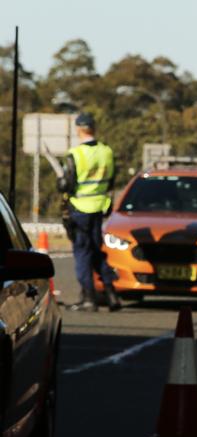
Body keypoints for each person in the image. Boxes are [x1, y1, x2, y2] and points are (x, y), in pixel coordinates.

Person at [58, 112, 121, 312]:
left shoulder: (76, 154)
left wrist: (60, 183)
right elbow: (111, 180)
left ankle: (88, 297)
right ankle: (111, 294)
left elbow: (66, 184)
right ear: (94, 128)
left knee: (83, 252)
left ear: (79, 129)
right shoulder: (107, 152)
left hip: (80, 208)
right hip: (99, 207)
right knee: (95, 251)